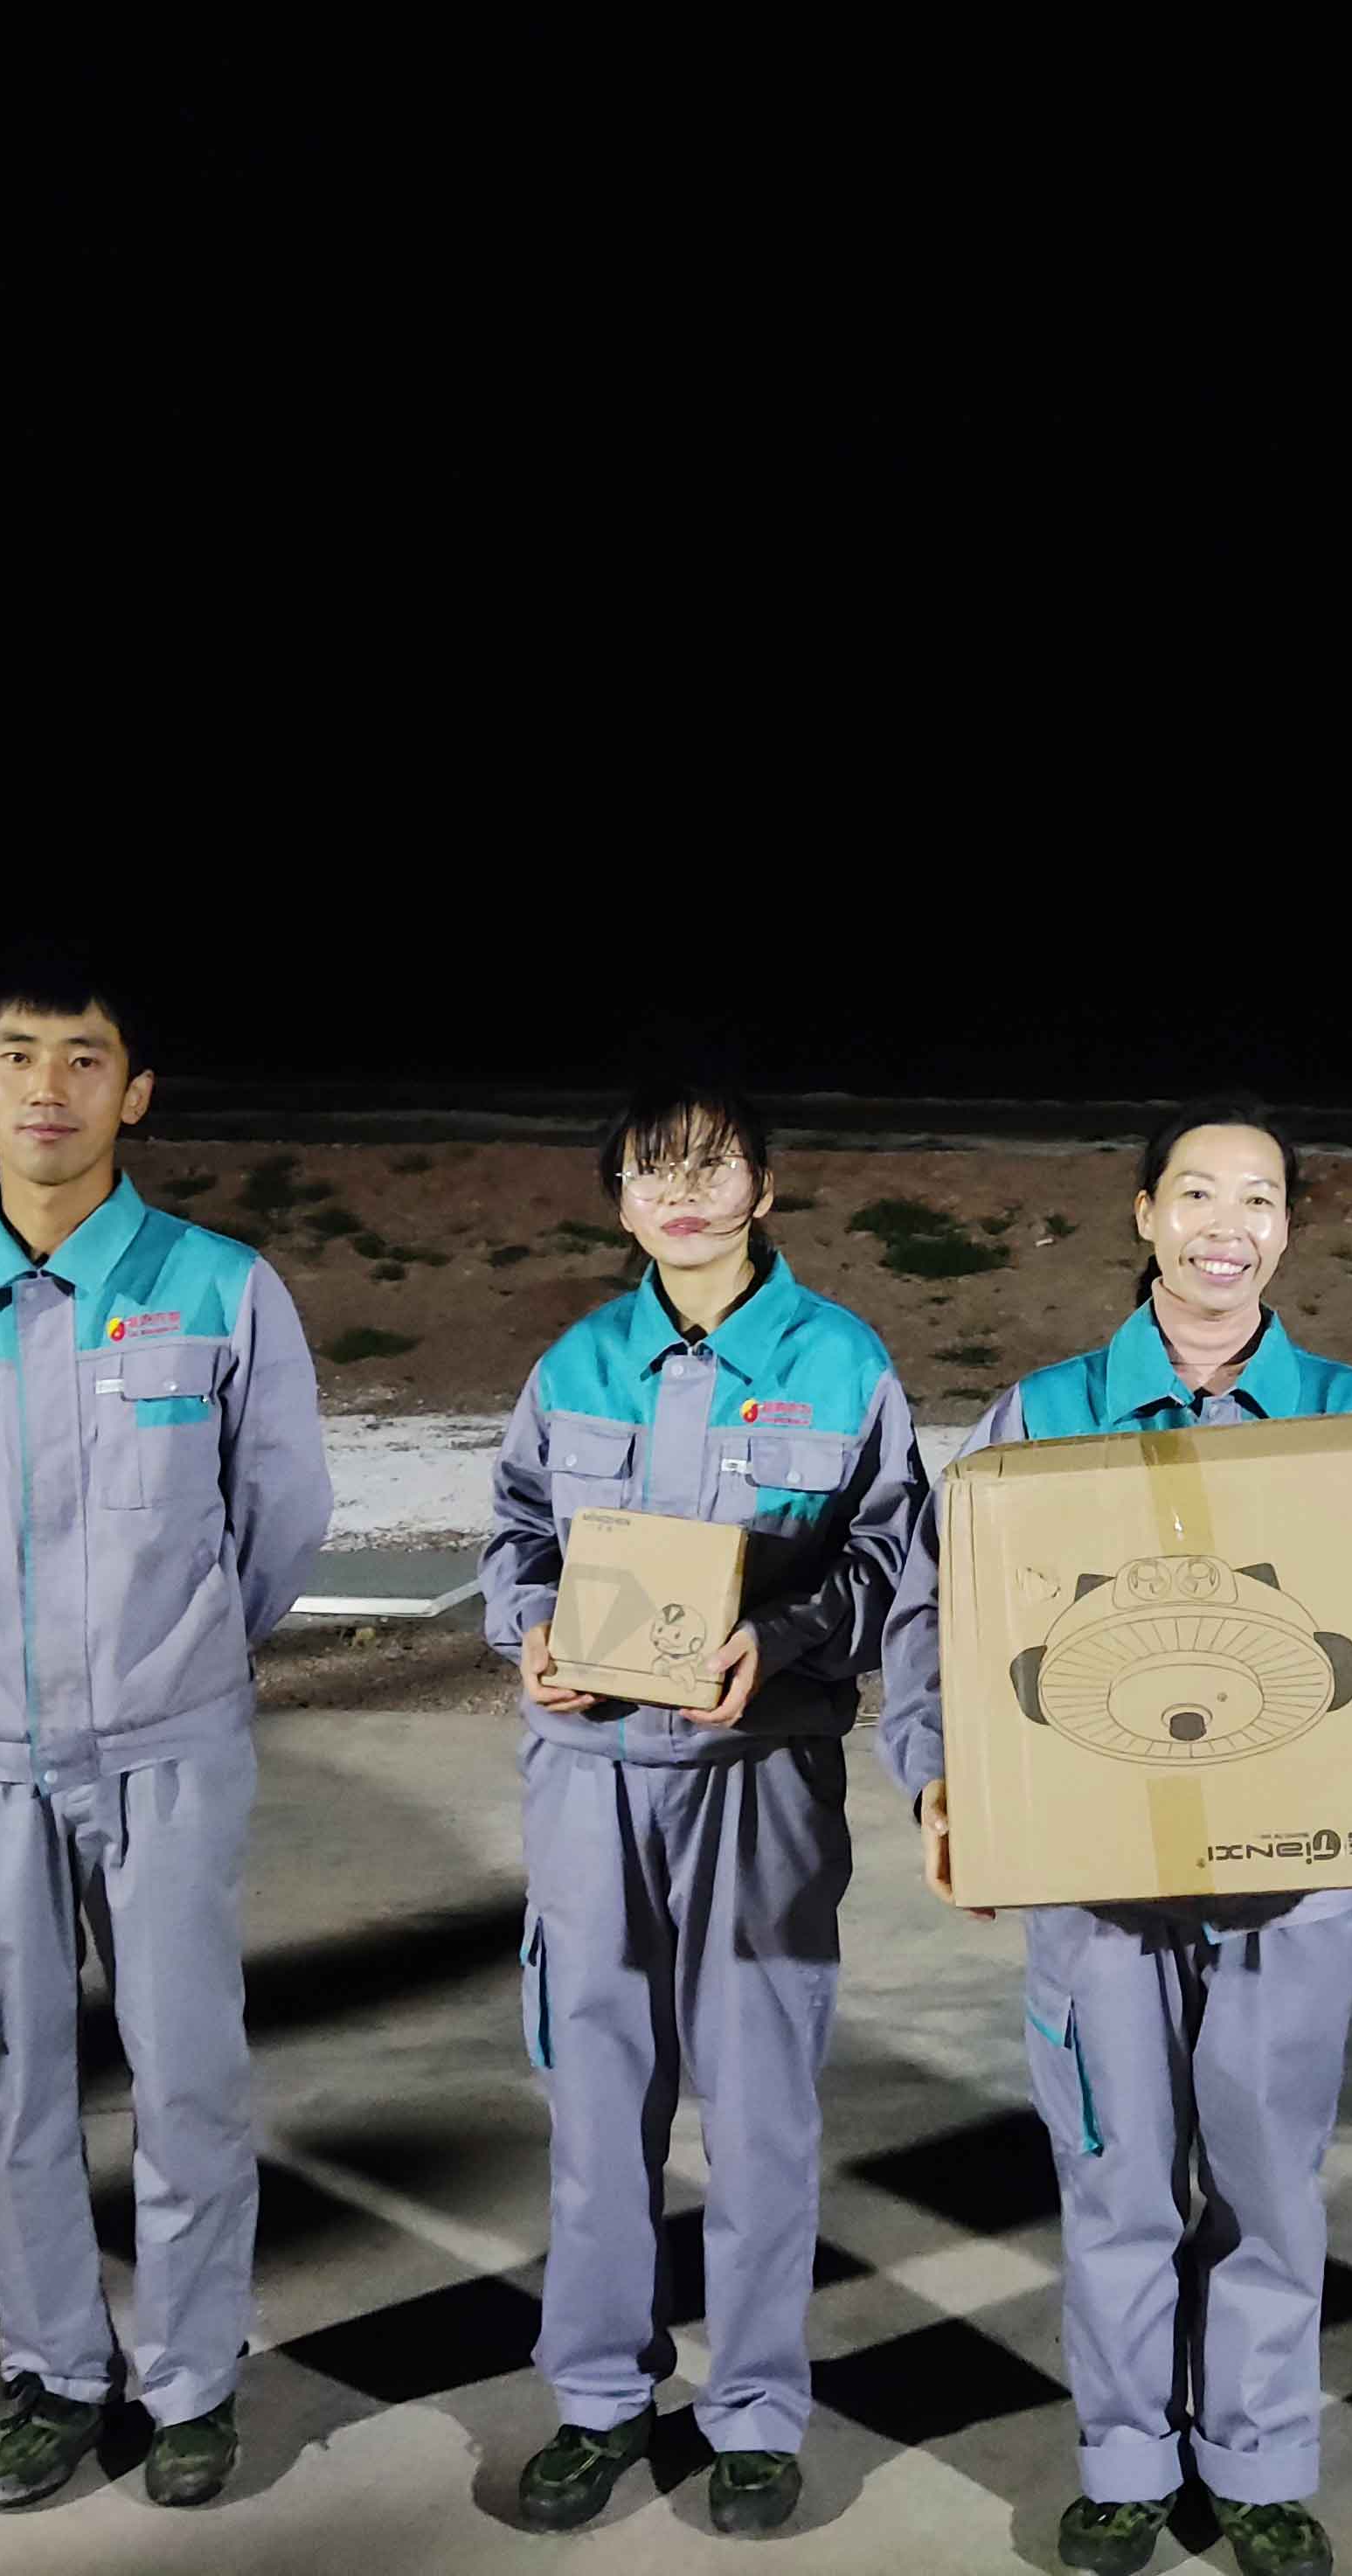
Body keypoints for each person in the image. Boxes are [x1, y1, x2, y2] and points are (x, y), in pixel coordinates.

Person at [878, 1101, 1352, 2576]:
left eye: (1257, 1200)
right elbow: (935, 1625)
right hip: (1094, 1877)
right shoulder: (1041, 1419)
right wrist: (942, 1784)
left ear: (1287, 1229)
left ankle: (1256, 2465)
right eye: (1196, 1195)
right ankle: (1125, 2459)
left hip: (1292, 1887)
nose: (1224, 1227)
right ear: (1145, 1216)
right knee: (1115, 2176)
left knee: (1267, 2181)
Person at [0, 947, 331, 2510]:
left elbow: (279, 1517)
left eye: (85, 1059)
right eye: (18, 1057)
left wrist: (177, 1656)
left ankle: (191, 2385)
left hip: (166, 1752)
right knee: (16, 2082)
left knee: (187, 2078)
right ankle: (56, 2377)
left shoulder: (221, 1288)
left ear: (135, 1094)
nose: (49, 1088)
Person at [478, 1079, 926, 2538]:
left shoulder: (839, 1361)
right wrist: (529, 1628)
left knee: (762, 2115)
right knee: (597, 2107)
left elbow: (889, 1558)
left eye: (710, 1166)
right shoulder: (577, 1364)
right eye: (650, 1173)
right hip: (592, 1780)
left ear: (764, 1190)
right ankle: (599, 2399)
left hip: (758, 1781)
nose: (680, 1194)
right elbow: (519, 1530)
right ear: (619, 1203)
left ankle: (755, 2414)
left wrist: (780, 1642)